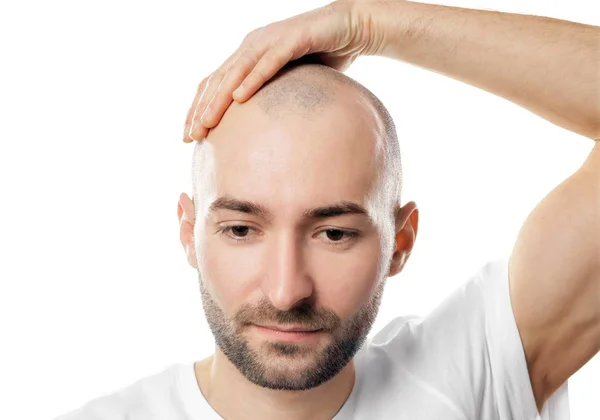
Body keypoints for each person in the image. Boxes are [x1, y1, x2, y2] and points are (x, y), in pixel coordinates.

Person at [58, 1, 599, 419]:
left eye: (334, 234)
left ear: (400, 241)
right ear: (188, 232)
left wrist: (368, 21)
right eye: (242, 229)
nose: (286, 291)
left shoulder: (475, 374)